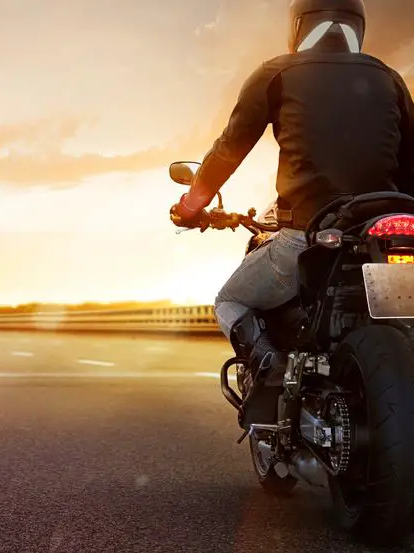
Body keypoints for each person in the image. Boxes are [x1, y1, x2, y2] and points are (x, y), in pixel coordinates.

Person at [169, 0, 414, 426]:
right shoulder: (389, 78)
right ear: (359, 26)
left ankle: (271, 370)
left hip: (310, 233)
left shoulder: (277, 73)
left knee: (230, 300)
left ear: (299, 26)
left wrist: (191, 207)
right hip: (387, 234)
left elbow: (229, 148)